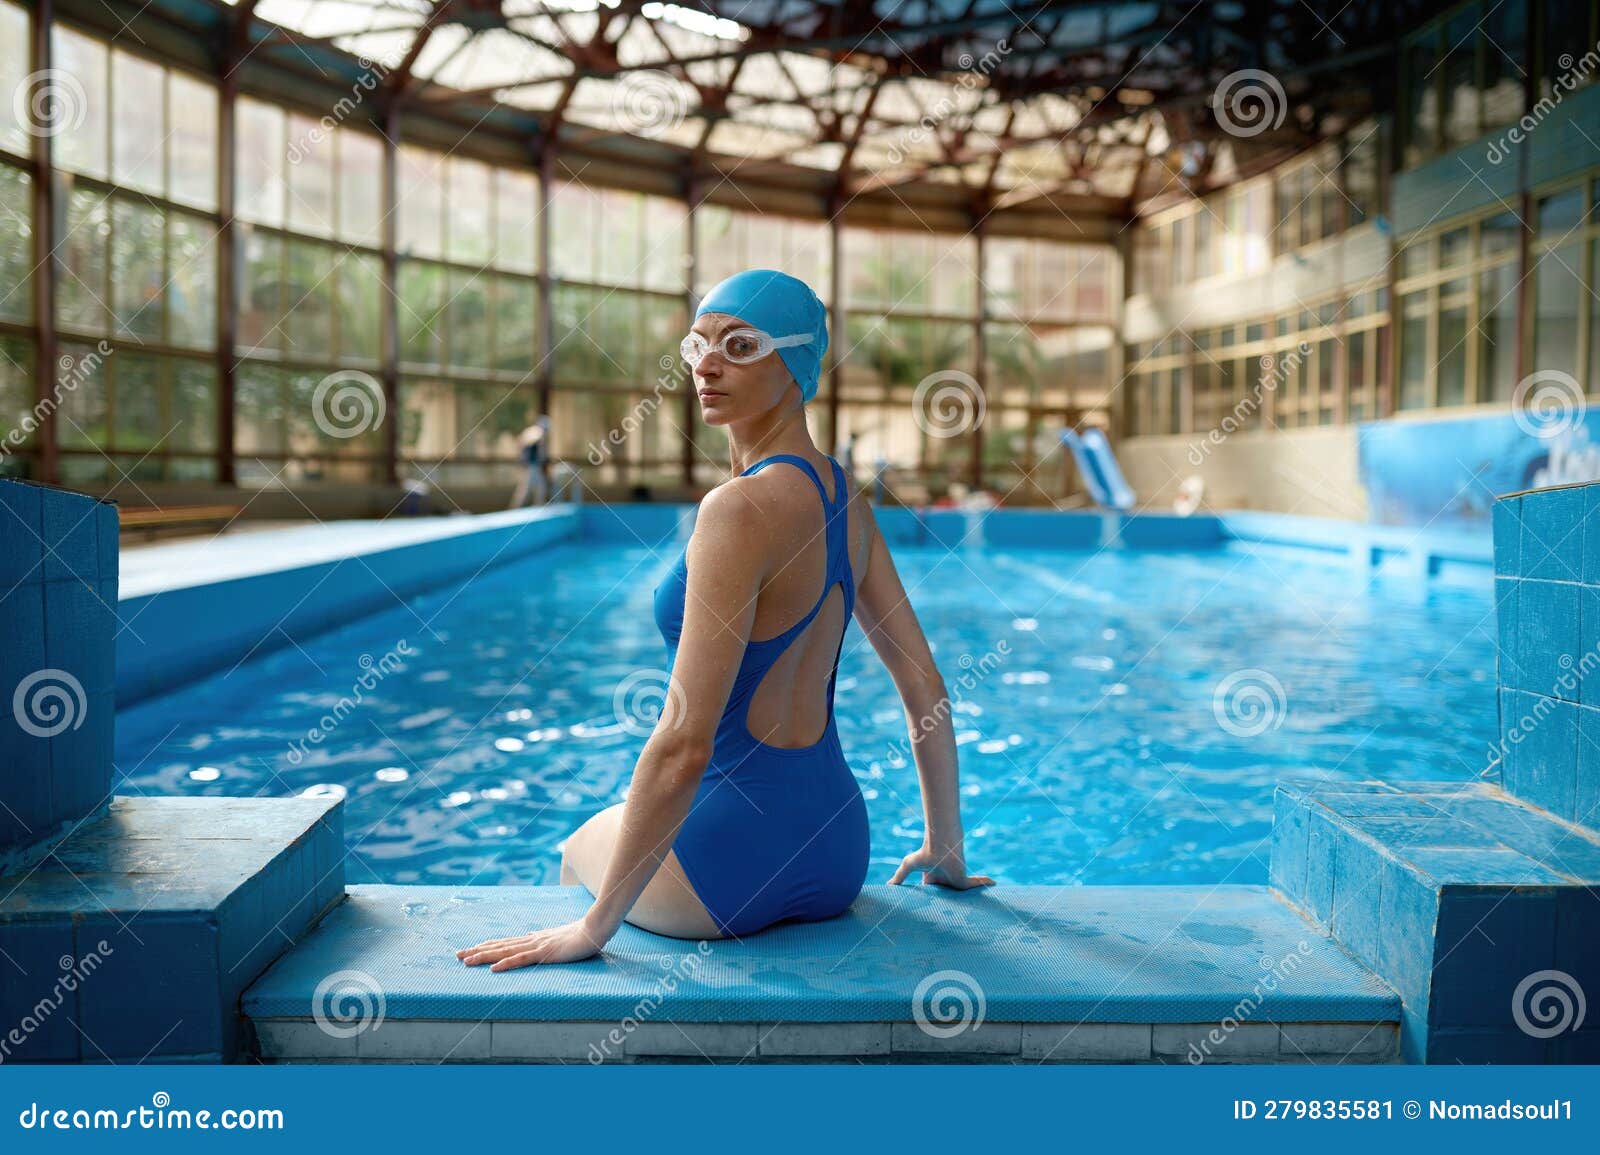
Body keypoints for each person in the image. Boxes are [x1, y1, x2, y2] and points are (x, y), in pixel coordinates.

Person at [458, 269, 991, 970]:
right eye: (697, 345)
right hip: (838, 852)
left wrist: (593, 928)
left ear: (797, 364)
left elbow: (684, 742)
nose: (707, 364)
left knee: (575, 848)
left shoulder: (736, 510)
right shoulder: (848, 503)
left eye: (740, 345)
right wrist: (944, 848)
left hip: (724, 870)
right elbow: (924, 682)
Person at [509, 415, 549, 508]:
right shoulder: (537, 432)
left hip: (532, 465)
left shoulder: (531, 432)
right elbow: (537, 448)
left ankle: (539, 506)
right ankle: (515, 509)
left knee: (538, 487)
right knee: (527, 489)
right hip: (531, 466)